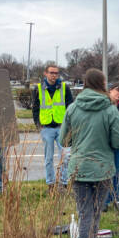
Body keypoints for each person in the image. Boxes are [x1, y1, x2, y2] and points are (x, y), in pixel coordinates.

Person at [59, 68, 119, 238]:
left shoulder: (72, 108)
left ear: (85, 83)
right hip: (102, 168)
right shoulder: (110, 109)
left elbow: (64, 140)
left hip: (78, 167)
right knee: (94, 214)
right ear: (102, 84)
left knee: (85, 212)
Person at [32, 64, 74, 193]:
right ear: (45, 73)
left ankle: (63, 183)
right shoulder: (38, 89)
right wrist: (38, 125)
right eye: (51, 73)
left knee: (66, 156)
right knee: (48, 158)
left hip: (62, 127)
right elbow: (35, 108)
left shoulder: (64, 88)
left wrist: (70, 126)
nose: (54, 75)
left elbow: (70, 107)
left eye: (56, 73)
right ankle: (50, 185)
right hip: (47, 128)